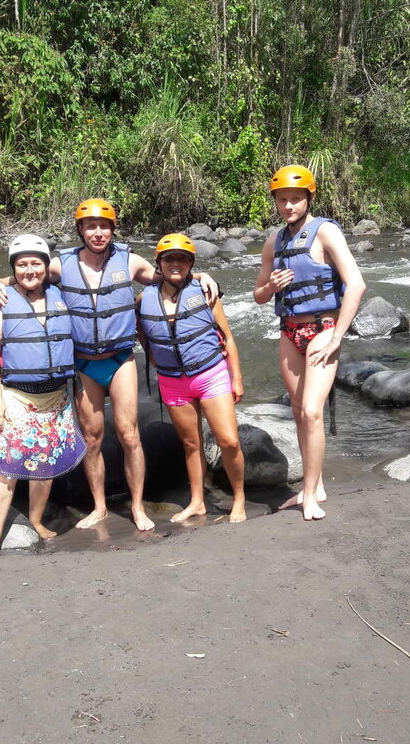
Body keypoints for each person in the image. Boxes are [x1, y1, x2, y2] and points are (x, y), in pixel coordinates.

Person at [0, 199, 218, 533]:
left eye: (104, 226)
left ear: (113, 228)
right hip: (84, 364)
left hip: (120, 359)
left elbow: (169, 273)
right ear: (80, 230)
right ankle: (99, 507)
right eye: (90, 226)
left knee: (129, 434)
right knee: (92, 439)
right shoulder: (61, 265)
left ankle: (137, 507)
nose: (98, 232)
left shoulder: (129, 260)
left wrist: (200, 274)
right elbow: (28, 274)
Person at [253, 165, 366, 521]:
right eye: (282, 200)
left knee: (312, 411)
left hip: (322, 329)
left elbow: (357, 284)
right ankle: (312, 486)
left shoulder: (326, 232)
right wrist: (271, 287)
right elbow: (258, 295)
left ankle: (311, 492)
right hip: (290, 332)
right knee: (300, 412)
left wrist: (336, 336)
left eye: (295, 199)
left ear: (309, 198)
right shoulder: (274, 241)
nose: (288, 206)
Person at [0, 234, 86, 560]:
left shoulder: (61, 293)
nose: (29, 270)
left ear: (46, 266)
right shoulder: (1, 299)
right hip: (15, 397)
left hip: (56, 399)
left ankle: (35, 520)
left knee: (45, 464)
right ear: (13, 269)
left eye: (35, 263)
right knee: (5, 468)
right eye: (21, 265)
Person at [137, 233, 246, 524]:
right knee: (191, 445)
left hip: (210, 374)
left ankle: (239, 498)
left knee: (229, 441)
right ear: (158, 264)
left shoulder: (206, 292)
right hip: (173, 381)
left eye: (182, 259)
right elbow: (146, 342)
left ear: (190, 264)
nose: (176, 264)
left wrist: (236, 379)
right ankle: (197, 502)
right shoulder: (142, 300)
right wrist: (163, 371)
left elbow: (228, 337)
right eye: (169, 258)